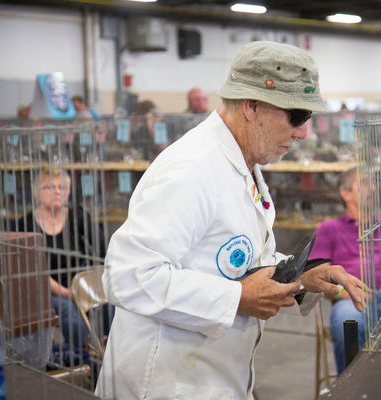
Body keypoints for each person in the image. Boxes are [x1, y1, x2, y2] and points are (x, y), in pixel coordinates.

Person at [95, 40, 365, 400]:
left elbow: (238, 261)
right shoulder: (191, 170)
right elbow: (127, 276)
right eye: (297, 116)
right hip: (163, 384)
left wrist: (301, 276)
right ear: (252, 106)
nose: (304, 133)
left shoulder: (242, 165)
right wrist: (234, 298)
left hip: (212, 377)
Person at [309, 168, 381, 374]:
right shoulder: (328, 229)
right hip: (351, 299)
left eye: (374, 183)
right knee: (348, 323)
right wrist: (346, 292)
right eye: (364, 183)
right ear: (345, 194)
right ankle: (351, 389)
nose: (373, 188)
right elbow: (318, 277)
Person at [14, 166, 106, 354]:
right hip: (48, 289)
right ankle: (83, 356)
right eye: (49, 187)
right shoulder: (26, 223)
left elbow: (101, 251)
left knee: (110, 305)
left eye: (62, 187)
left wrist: (93, 284)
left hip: (83, 284)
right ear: (37, 193)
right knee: (68, 311)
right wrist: (67, 293)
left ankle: (106, 348)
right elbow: (33, 269)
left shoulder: (79, 216)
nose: (57, 191)